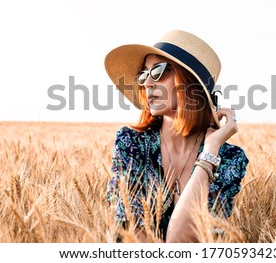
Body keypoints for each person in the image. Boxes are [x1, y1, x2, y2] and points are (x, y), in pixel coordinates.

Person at [105, 30, 249, 242]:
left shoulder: (229, 158)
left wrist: (209, 153)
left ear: (190, 83)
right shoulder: (131, 144)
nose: (147, 83)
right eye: (144, 75)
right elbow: (135, 240)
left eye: (158, 72)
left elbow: (183, 240)